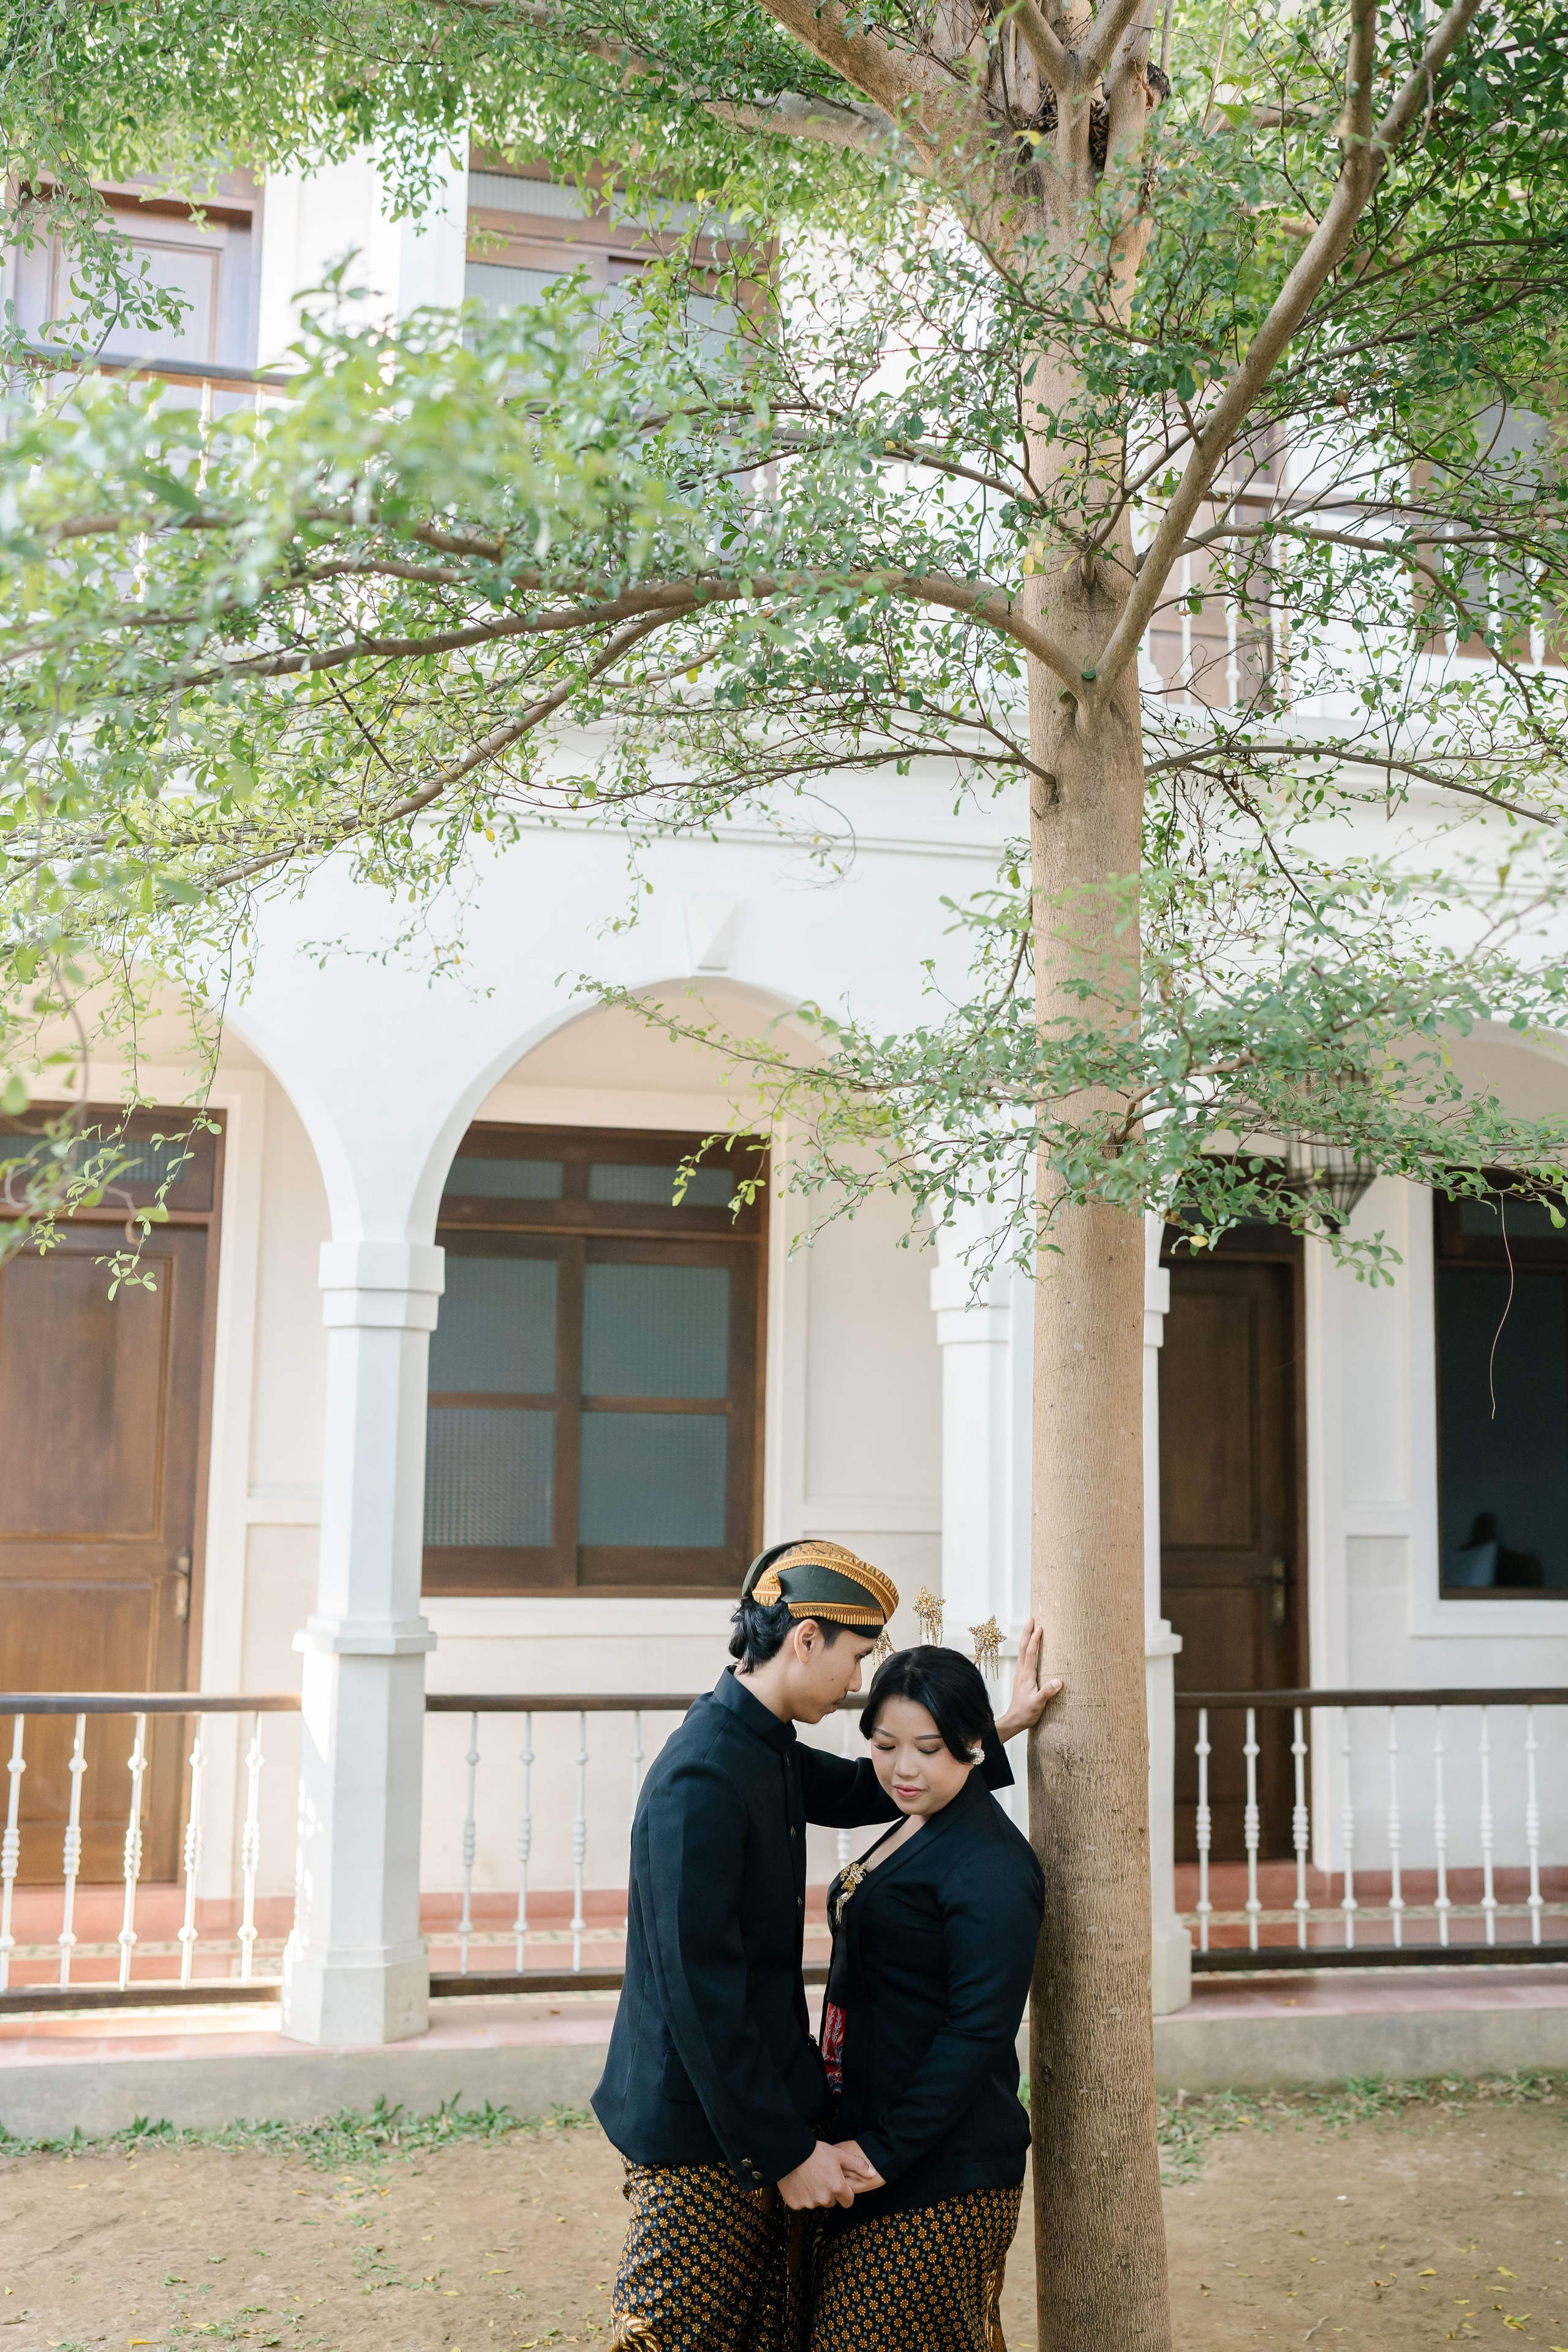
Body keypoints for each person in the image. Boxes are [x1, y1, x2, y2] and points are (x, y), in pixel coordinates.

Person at [592, 1540, 1060, 2352]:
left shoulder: (759, 1742)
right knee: (672, 2339)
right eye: (857, 1657)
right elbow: (699, 1994)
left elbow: (867, 1787)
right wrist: (784, 2153)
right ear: (806, 1639)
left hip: (762, 2119)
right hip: (703, 2130)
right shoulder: (703, 1776)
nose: (855, 1682)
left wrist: (983, 1732)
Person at [810, 1645, 1046, 2352]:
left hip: (942, 2168)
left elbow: (977, 2032)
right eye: (884, 1746)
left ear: (970, 1743)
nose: (902, 1769)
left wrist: (882, 2151)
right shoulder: (920, 1816)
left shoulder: (991, 1866)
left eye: (927, 1748)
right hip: (870, 2140)